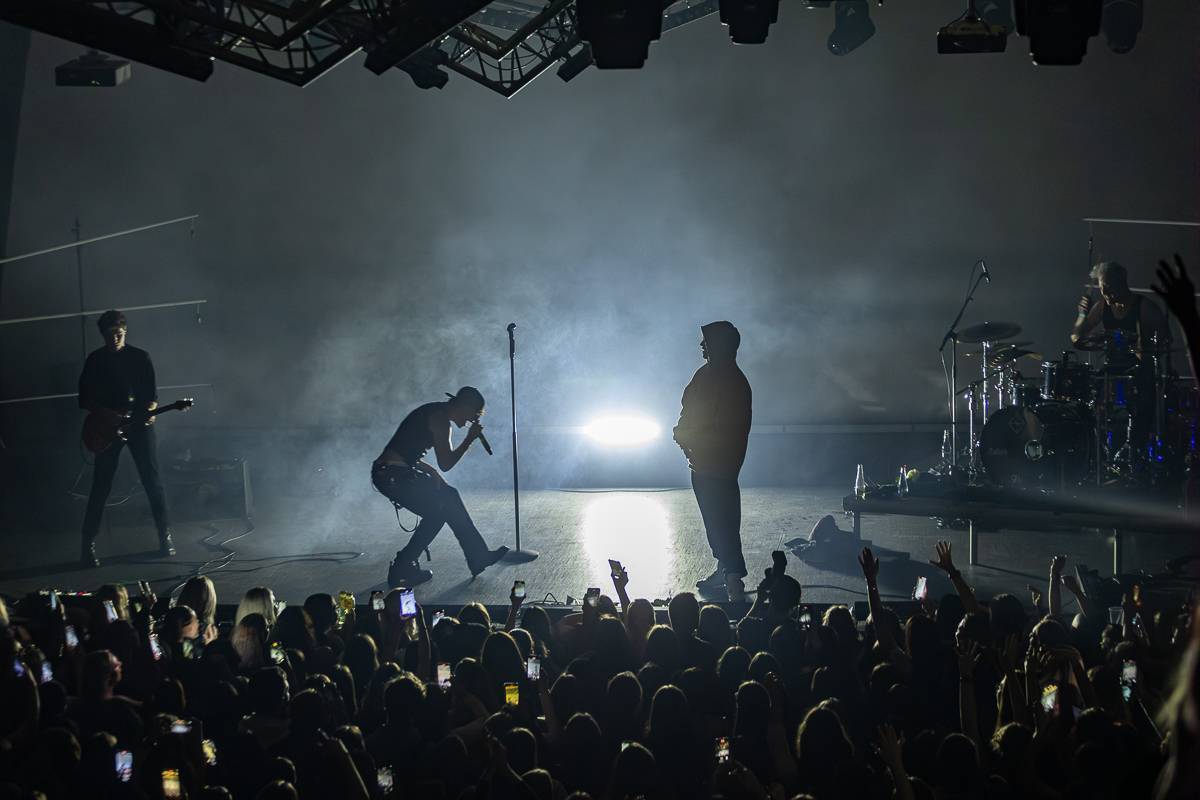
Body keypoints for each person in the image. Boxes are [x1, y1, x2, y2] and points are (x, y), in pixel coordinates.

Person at [372, 386, 508, 587]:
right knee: (441, 507)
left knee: (446, 499)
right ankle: (405, 565)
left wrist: (430, 471)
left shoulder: (435, 412)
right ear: (463, 407)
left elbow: (404, 449)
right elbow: (446, 463)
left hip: (392, 473)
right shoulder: (440, 420)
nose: (473, 420)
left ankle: (407, 565)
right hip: (392, 476)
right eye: (473, 415)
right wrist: (469, 438)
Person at [77, 309, 175, 567]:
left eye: (118, 334)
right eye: (110, 336)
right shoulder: (95, 360)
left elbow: (151, 394)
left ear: (125, 331)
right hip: (105, 428)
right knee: (101, 485)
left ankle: (165, 537)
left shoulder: (140, 358)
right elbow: (85, 399)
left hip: (138, 427)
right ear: (103, 335)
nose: (115, 340)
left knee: (152, 480)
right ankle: (88, 544)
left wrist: (151, 411)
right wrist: (108, 415)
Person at [673, 321, 752, 599]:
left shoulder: (730, 382)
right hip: (704, 462)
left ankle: (732, 575)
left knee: (722, 520)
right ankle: (726, 568)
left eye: (706, 341)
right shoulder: (708, 375)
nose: (701, 345)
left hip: (717, 464)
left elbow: (723, 428)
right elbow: (690, 409)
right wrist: (684, 436)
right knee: (715, 519)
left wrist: (689, 439)